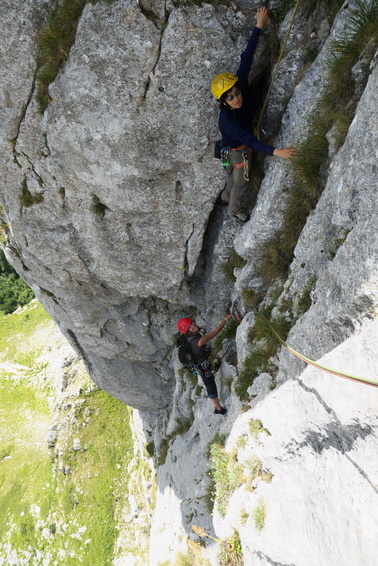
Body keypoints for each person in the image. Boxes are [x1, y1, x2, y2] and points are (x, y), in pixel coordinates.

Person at [211, 6, 298, 222]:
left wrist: (259, 25)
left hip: (230, 150)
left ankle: (225, 197)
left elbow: (246, 58)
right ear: (222, 102)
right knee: (240, 183)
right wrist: (277, 152)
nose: (237, 97)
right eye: (230, 97)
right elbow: (250, 141)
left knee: (232, 178)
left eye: (237, 92)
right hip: (237, 151)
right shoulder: (228, 122)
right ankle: (234, 211)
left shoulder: (240, 89)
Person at [176, 315, 234, 415]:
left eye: (192, 323)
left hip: (200, 362)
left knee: (209, 379)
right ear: (188, 331)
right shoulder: (198, 341)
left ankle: (213, 367)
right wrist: (226, 319)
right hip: (202, 366)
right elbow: (216, 332)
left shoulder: (186, 336)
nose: (193, 325)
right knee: (210, 385)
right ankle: (218, 409)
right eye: (190, 326)